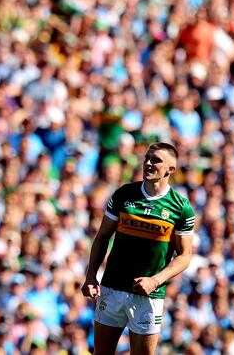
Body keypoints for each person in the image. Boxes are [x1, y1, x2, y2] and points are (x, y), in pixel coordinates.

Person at [82, 143, 195, 354]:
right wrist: (90, 276)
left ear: (170, 169)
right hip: (112, 288)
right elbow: (102, 237)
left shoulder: (181, 207)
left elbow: (185, 255)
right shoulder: (124, 195)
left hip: (149, 296)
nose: (148, 163)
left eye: (156, 160)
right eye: (147, 158)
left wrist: (156, 280)